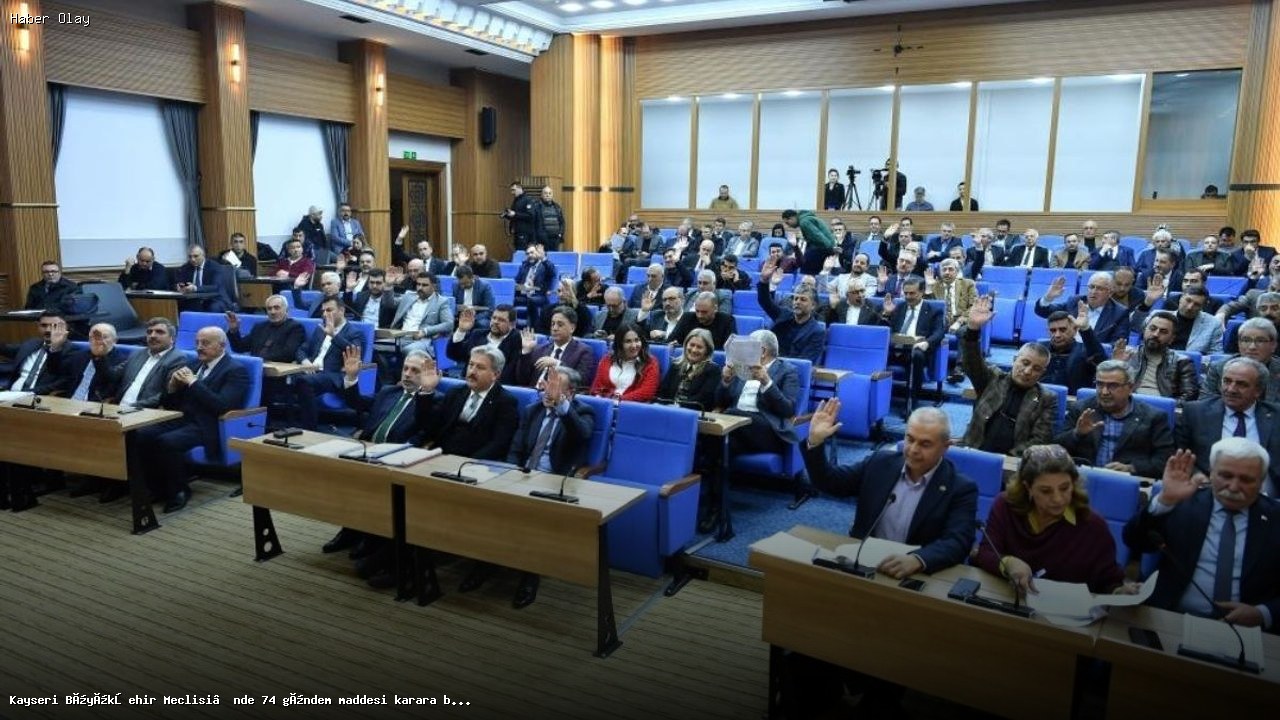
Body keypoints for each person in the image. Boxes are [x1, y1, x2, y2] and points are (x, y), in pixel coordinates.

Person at [790, 403, 977, 718]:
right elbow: (831, 482)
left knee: (887, 661)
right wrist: (816, 443)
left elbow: (957, 542)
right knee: (812, 642)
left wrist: (919, 559)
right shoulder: (881, 462)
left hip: (913, 584)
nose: (913, 450)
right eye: (910, 439)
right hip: (862, 570)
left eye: (925, 443)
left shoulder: (960, 488)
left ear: (947, 446)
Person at [1123, 441, 1280, 630]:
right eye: (1225, 475)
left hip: (1249, 629)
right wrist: (1165, 501)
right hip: (1170, 616)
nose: (1233, 486)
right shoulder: (1183, 502)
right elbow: (1135, 542)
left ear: (1261, 481)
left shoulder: (1275, 518)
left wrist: (1264, 613)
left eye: (1246, 479)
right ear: (1211, 473)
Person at [320, 347, 437, 585]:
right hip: (367, 450)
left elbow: (427, 430)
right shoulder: (389, 390)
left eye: (415, 370)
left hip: (397, 458)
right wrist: (352, 378)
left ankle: (369, 537)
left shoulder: (433, 400)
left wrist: (426, 391)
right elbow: (360, 405)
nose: (407, 374)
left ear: (427, 373)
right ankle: (350, 530)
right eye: (405, 368)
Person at [495, 366, 595, 607]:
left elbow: (581, 435)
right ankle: (485, 563)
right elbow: (516, 449)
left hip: (556, 479)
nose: (545, 389)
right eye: (545, 383)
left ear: (570, 392)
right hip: (524, 474)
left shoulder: (583, 412)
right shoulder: (533, 410)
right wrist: (509, 474)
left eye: (554, 386)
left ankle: (529, 577)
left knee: (531, 515)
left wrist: (562, 406)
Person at [975, 445, 1133, 595]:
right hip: (1010, 599)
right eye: (1046, 491)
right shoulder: (1006, 506)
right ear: (1027, 487)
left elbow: (1110, 581)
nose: (1057, 499)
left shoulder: (1092, 525)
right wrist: (1008, 563)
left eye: (1065, 488)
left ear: (1074, 483)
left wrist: (1120, 591)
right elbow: (985, 552)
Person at [133, 327, 249, 512]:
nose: (199, 347)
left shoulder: (235, 370)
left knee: (167, 441)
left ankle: (179, 490)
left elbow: (222, 406)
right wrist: (171, 388)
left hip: (207, 425)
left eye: (205, 343)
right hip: (182, 418)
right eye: (197, 343)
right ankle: (156, 488)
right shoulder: (193, 365)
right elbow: (172, 404)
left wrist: (194, 383)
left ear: (222, 345)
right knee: (141, 434)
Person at [961, 296, 1057, 455]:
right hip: (974, 449)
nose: (1027, 371)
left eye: (1036, 368)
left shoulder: (1047, 398)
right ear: (1014, 360)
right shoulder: (993, 378)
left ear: (1042, 373)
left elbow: (1040, 440)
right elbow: (971, 363)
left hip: (1012, 462)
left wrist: (1007, 460)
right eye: (1025, 363)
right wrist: (973, 329)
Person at [1054, 360, 1175, 478]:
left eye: (1113, 386)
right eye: (1100, 384)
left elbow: (1164, 462)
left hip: (1126, 482)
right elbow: (1055, 449)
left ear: (1130, 387)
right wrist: (1077, 434)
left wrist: (1132, 468)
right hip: (1083, 480)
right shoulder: (1081, 409)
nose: (1104, 392)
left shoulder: (1153, 417)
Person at [1177, 357, 1280, 494]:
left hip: (1266, 495)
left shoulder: (1276, 416)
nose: (1231, 389)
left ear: (1258, 391)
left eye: (1241, 384)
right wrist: (1195, 474)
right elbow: (1178, 453)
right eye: (1227, 381)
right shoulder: (1195, 412)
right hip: (1209, 489)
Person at [291, 297, 365, 430]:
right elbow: (302, 349)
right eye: (323, 311)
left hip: (333, 375)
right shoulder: (320, 329)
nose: (325, 314)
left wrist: (333, 335)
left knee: (304, 382)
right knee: (283, 379)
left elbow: (355, 353)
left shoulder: (354, 332)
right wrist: (305, 361)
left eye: (329, 310)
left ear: (341, 310)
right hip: (312, 370)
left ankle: (309, 429)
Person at [1112, 310, 1199, 406]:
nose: (1155, 334)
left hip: (1161, 409)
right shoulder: (1127, 354)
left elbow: (1189, 396)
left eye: (1163, 332)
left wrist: (1166, 406)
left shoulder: (1182, 362)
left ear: (1172, 339)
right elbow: (1104, 387)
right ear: (1144, 330)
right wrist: (1116, 364)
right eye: (1152, 328)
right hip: (1128, 404)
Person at [880, 276, 945, 400]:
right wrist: (886, 315)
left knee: (917, 355)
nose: (908, 297)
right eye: (906, 293)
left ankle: (913, 399)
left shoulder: (933, 310)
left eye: (912, 293)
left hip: (917, 349)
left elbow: (939, 332)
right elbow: (887, 330)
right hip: (895, 348)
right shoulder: (899, 307)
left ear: (921, 292)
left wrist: (927, 342)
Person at [1033, 272, 1130, 344]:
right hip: (1067, 350)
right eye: (1091, 287)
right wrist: (1048, 298)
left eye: (1100, 288)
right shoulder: (1075, 302)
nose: (1093, 291)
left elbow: (1116, 344)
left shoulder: (1120, 313)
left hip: (1092, 358)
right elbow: (1043, 312)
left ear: (1110, 293)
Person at [111, 318, 187, 409]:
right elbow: (113, 376)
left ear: (172, 338)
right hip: (117, 408)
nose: (153, 335)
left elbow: (167, 394)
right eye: (149, 332)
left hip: (145, 412)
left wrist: (132, 407)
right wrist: (100, 357)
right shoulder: (137, 354)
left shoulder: (177, 359)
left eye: (159, 332)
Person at [756, 265, 825, 364]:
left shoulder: (817, 332)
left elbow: (805, 362)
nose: (797, 302)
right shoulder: (784, 315)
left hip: (791, 374)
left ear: (813, 305)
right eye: (795, 298)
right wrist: (764, 280)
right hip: (768, 364)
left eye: (803, 299)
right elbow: (765, 302)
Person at [1201, 317, 1280, 403]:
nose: (1252, 347)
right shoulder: (1219, 367)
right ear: (1238, 343)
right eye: (1246, 340)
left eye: (1260, 341)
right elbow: (1206, 405)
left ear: (1273, 345)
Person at [515, 307, 596, 389]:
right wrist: (526, 351)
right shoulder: (540, 349)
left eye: (560, 325)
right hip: (535, 394)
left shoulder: (583, 351)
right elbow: (522, 380)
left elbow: (582, 381)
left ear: (572, 328)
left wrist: (557, 364)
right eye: (553, 324)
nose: (555, 328)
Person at [0, 311, 75, 395]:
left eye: (54, 326)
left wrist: (27, 393)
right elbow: (6, 349)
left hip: (40, 398)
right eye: (44, 325)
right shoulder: (32, 343)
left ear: (65, 328)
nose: (48, 330)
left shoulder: (72, 351)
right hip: (9, 395)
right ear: (38, 326)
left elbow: (63, 383)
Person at [447, 305, 521, 386]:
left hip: (496, 388)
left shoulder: (517, 341)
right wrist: (461, 331)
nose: (495, 322)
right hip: (468, 383)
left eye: (501, 320)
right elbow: (454, 355)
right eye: (494, 318)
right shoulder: (478, 334)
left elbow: (514, 373)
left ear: (512, 325)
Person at [1040, 306, 1107, 394]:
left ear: (1075, 330)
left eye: (1063, 330)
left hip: (1073, 403)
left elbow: (1102, 363)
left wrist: (1085, 329)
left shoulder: (1086, 350)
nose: (1057, 335)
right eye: (1053, 330)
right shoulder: (1040, 350)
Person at [590, 324, 659, 402]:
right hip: (605, 404)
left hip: (630, 407)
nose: (634, 346)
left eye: (637, 340)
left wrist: (618, 400)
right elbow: (595, 388)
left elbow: (646, 392)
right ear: (619, 344)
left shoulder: (650, 363)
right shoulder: (607, 360)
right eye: (628, 341)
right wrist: (600, 400)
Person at [226, 295, 306, 363]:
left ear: (286, 310)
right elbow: (239, 348)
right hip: (258, 366)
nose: (273, 312)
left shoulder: (295, 328)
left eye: (277, 308)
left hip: (278, 372)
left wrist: (259, 359)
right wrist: (234, 330)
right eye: (269, 309)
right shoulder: (259, 327)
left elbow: (288, 354)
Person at [390, 272, 454, 356]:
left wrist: (425, 331)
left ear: (434, 287)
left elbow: (449, 324)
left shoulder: (441, 302)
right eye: (418, 284)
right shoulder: (408, 296)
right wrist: (388, 285)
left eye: (424, 285)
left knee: (410, 350)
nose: (420, 288)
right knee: (375, 345)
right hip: (399, 336)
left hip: (421, 339)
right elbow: (389, 304)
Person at [657, 329, 721, 411]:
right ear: (686, 345)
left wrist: (678, 406)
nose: (694, 350)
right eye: (692, 345)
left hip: (694, 414)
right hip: (668, 411)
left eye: (699, 347)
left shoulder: (713, 370)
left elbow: (704, 400)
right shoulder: (675, 365)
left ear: (707, 351)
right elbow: (662, 392)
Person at [63, 322, 126, 403]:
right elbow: (60, 375)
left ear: (115, 340)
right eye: (93, 337)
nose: (98, 341)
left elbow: (109, 380)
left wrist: (100, 357)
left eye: (104, 337)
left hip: (93, 407)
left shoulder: (122, 361)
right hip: (69, 403)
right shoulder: (80, 355)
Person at [668, 292, 737, 349]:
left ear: (715, 308)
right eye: (697, 311)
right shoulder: (687, 318)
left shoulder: (727, 321)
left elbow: (730, 349)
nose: (699, 315)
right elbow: (670, 341)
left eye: (704, 312)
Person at [780, 208, 835, 275]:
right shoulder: (807, 218)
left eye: (787, 222)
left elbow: (819, 237)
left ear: (792, 218)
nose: (788, 225)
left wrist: (831, 250)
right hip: (825, 247)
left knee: (805, 271)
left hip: (825, 248)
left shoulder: (804, 222)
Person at [503, 181, 538, 251]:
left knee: (521, 252)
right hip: (517, 232)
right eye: (511, 190)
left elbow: (530, 216)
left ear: (520, 188)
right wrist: (507, 215)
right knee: (518, 251)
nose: (512, 192)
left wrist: (515, 214)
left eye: (513, 190)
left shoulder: (528, 200)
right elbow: (515, 216)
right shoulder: (516, 200)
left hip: (525, 232)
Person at [532, 185, 566, 251]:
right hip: (542, 240)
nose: (548, 195)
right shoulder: (536, 207)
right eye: (545, 193)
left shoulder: (557, 207)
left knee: (555, 259)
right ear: (541, 195)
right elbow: (533, 225)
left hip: (555, 239)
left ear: (552, 195)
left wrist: (560, 234)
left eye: (550, 193)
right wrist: (535, 240)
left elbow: (562, 222)